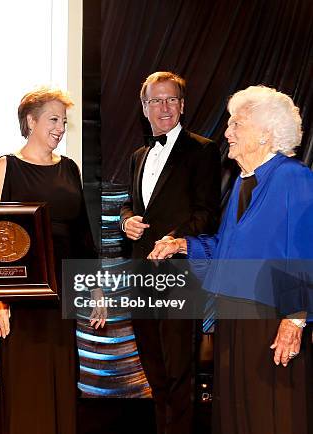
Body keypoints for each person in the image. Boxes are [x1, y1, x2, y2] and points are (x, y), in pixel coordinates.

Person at [149, 85, 313, 434]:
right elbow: (226, 248)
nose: (227, 133)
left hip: (270, 320)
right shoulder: (243, 182)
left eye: (236, 124)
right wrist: (181, 245)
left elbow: (303, 250)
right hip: (234, 317)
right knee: (237, 414)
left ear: (266, 133)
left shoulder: (293, 177)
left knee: (272, 413)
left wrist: (295, 321)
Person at [0, 87, 100, 434]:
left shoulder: (69, 168)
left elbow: (82, 234)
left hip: (62, 290)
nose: (60, 128)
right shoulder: (6, 166)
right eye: (53, 119)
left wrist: (95, 289)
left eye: (63, 122)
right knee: (25, 377)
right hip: (19, 289)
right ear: (30, 120)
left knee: (61, 375)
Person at [119, 72, 221, 434]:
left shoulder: (203, 150)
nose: (164, 107)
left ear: (182, 104)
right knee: (155, 370)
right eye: (155, 101)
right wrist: (127, 220)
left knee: (179, 373)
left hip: (179, 274)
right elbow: (132, 205)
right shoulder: (138, 156)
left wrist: (175, 238)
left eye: (171, 99)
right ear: (144, 108)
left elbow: (207, 214)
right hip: (140, 274)